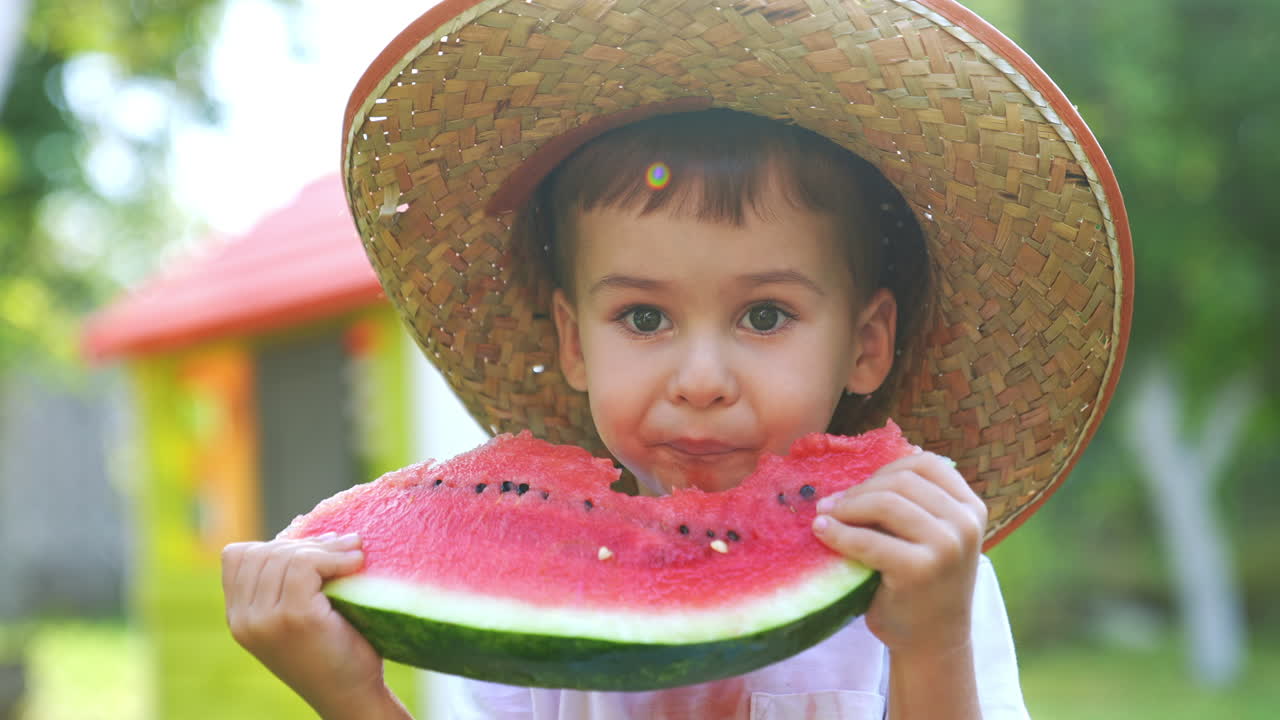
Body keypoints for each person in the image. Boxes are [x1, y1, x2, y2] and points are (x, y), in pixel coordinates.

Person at [222, 1, 1132, 718]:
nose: (700, 378)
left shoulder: (930, 570)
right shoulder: (535, 588)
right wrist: (350, 695)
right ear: (574, 343)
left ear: (865, 345)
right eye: (644, 316)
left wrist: (932, 647)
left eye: (765, 314)